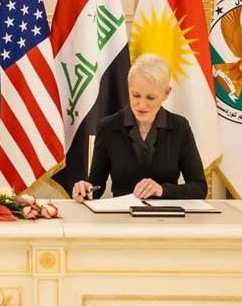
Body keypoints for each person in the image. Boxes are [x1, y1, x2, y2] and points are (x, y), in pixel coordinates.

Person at [72, 53, 207, 202]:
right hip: (122, 214)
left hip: (166, 215)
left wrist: (162, 190)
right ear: (128, 88)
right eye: (136, 95)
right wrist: (85, 189)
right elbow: (96, 186)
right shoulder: (107, 127)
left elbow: (199, 188)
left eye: (150, 98)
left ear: (166, 93)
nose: (141, 105)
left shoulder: (180, 127)